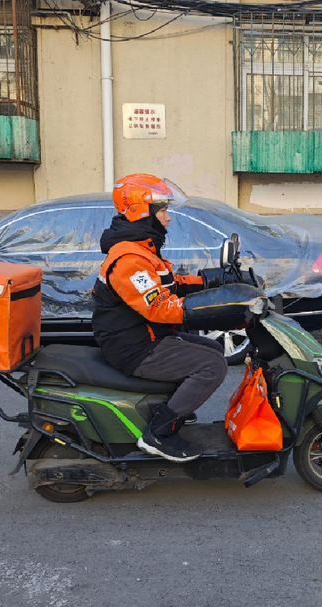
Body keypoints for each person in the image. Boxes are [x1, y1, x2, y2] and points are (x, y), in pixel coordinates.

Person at [91, 174, 228, 463]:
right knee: (212, 365)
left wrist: (211, 282)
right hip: (136, 346)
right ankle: (159, 433)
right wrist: (209, 309)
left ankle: (169, 408)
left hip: (145, 335)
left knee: (215, 350)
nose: (167, 218)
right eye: (163, 211)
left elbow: (169, 283)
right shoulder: (129, 259)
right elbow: (159, 308)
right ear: (142, 212)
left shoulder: (141, 249)